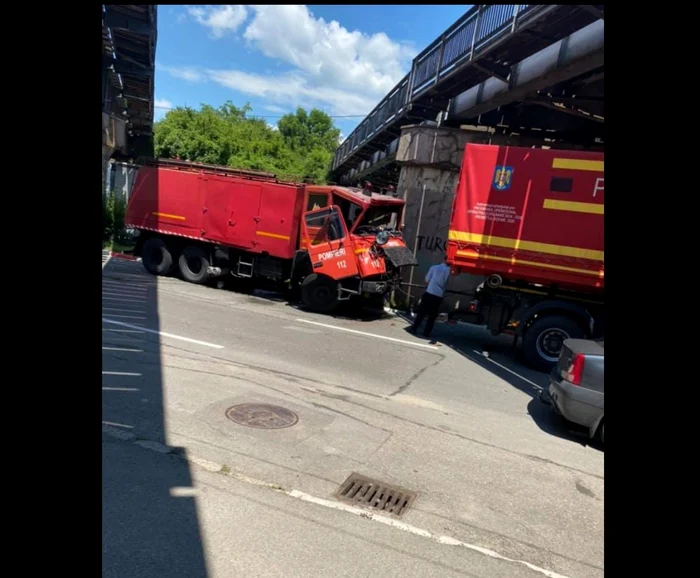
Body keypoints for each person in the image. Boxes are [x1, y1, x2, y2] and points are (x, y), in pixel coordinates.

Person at [409, 254, 451, 339]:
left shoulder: (434, 267)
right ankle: (426, 332)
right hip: (438, 296)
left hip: (429, 292)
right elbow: (447, 283)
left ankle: (414, 328)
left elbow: (426, 280)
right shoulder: (449, 271)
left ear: (444, 259)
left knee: (422, 312)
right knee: (432, 316)